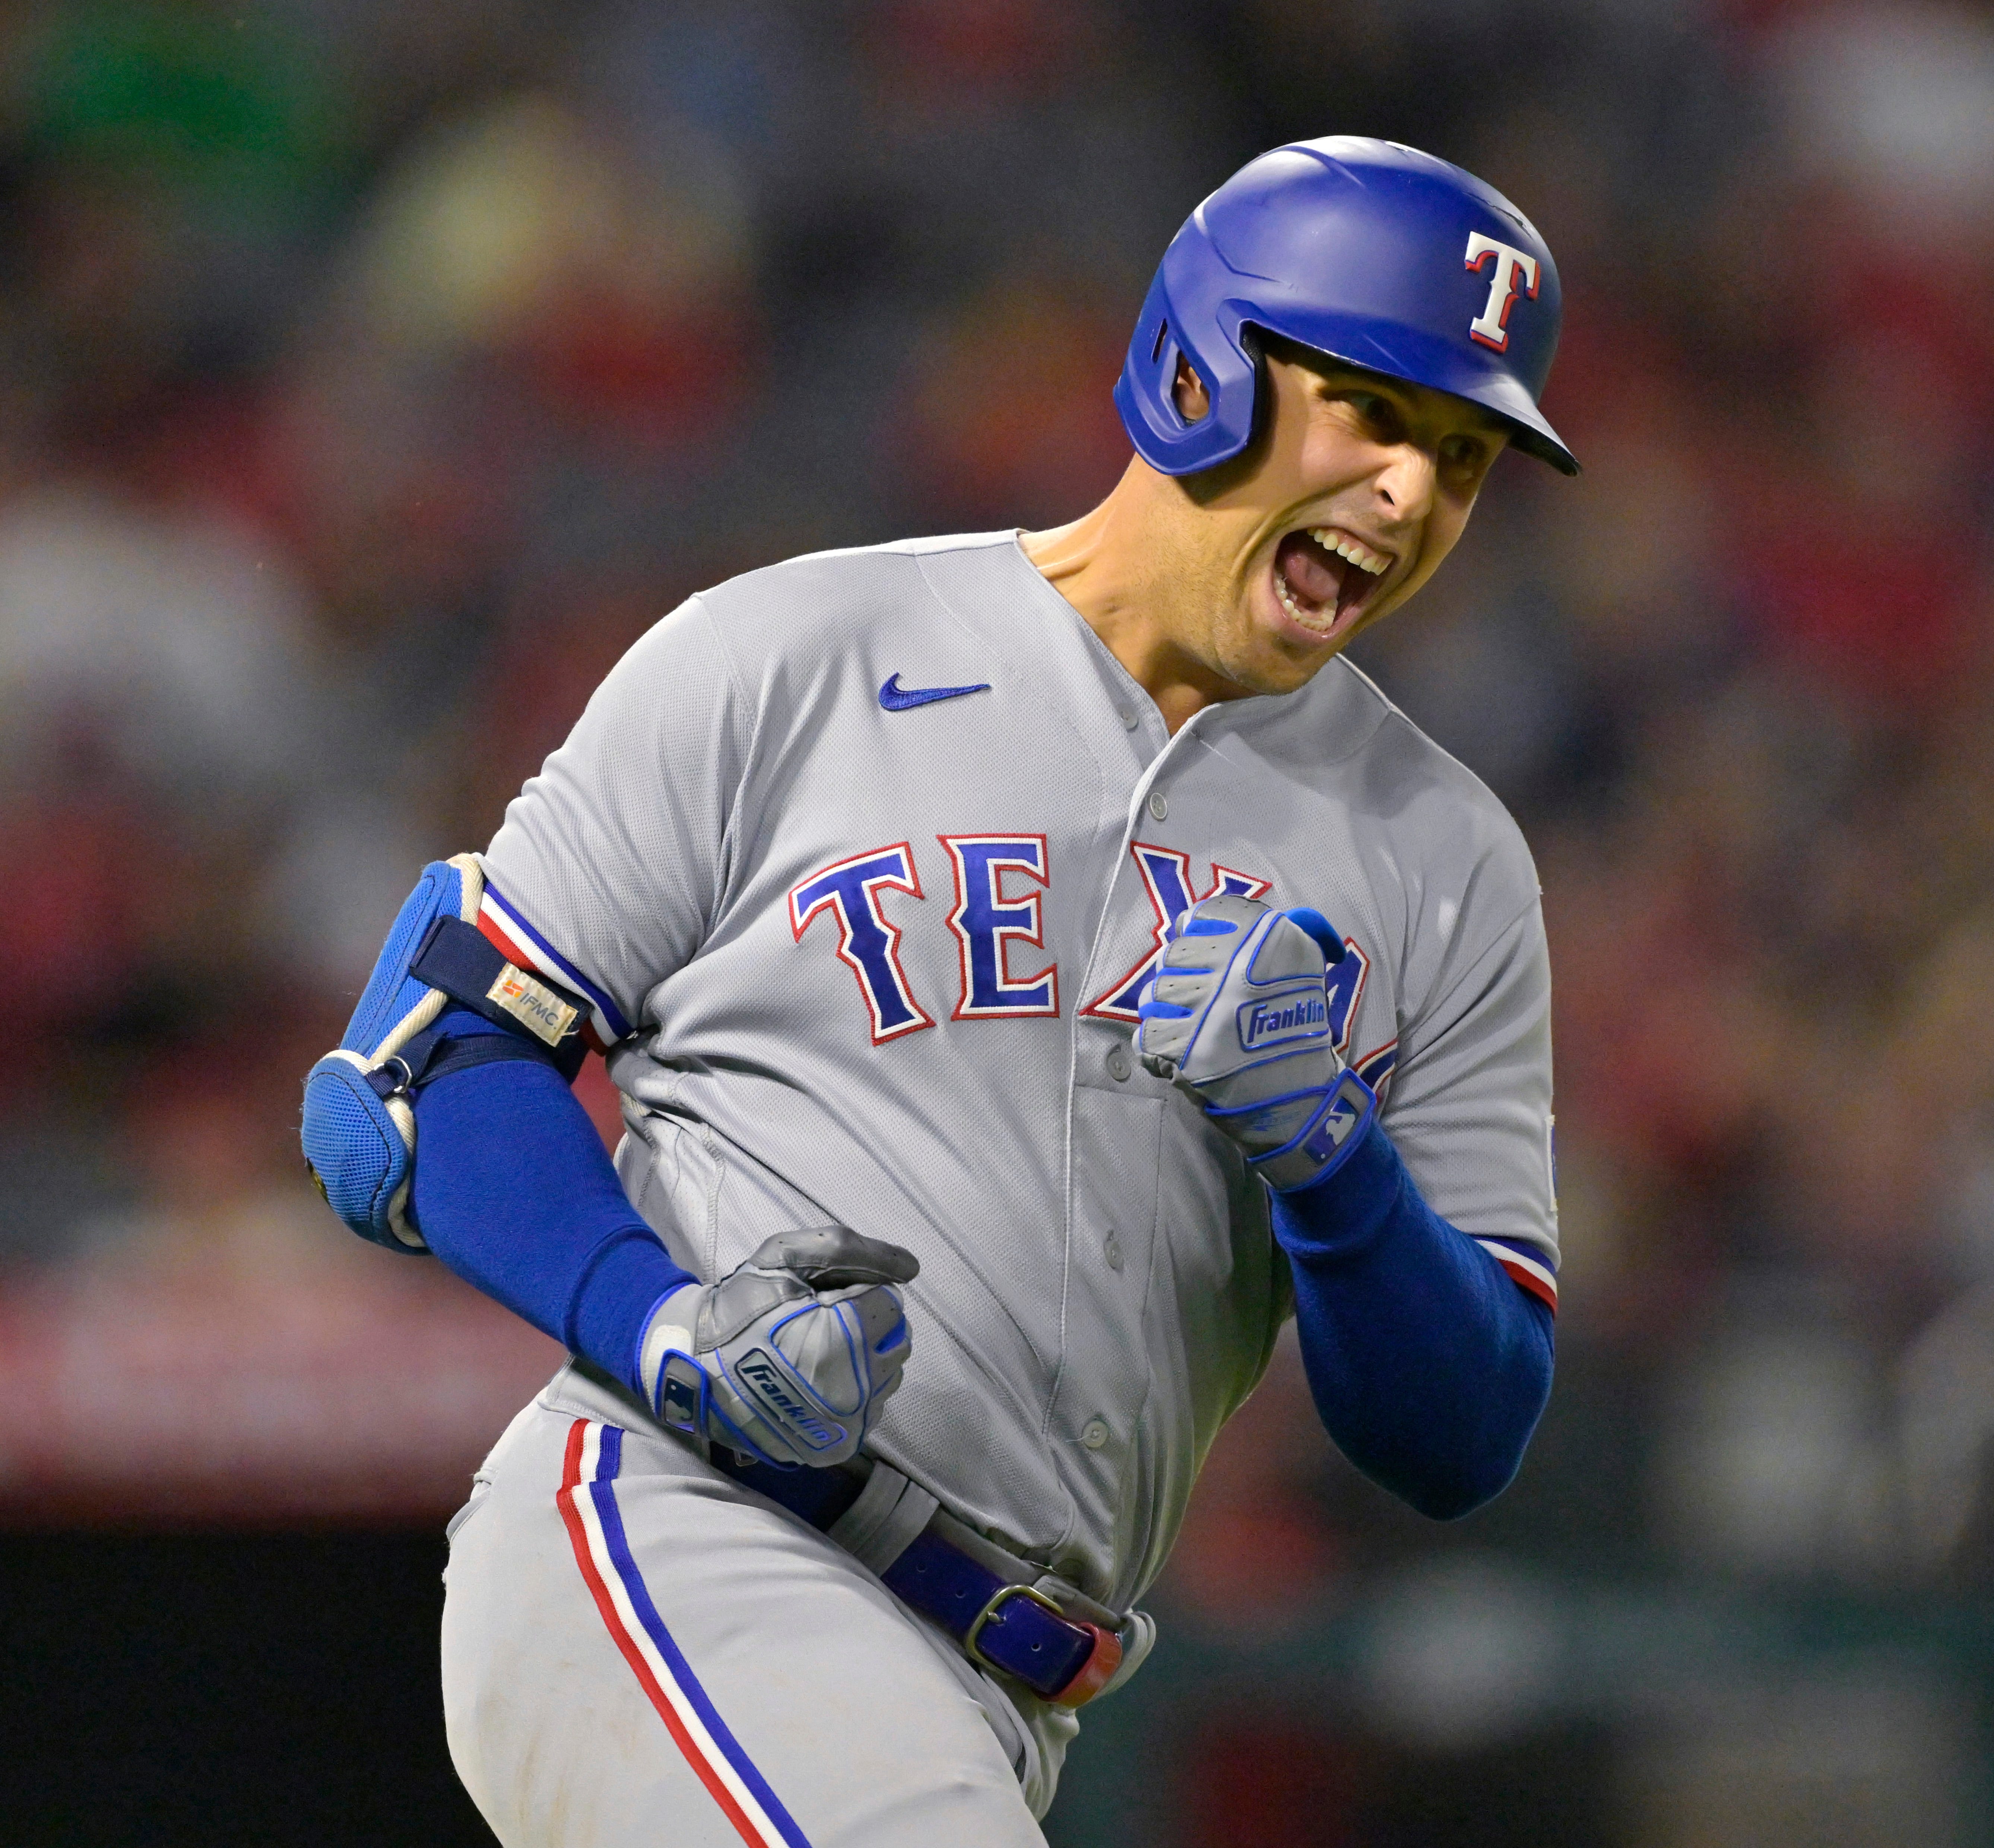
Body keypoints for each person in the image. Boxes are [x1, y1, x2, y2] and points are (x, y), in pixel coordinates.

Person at [297, 137, 1573, 1844]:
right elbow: (418, 1072)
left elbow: (1462, 1429)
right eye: (1375, 411)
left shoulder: (1446, 858)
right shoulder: (799, 654)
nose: (1413, 496)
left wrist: (1331, 1157)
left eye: (1464, 455)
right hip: (691, 1545)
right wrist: (664, 1330)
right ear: (1205, 363)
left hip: (1012, 1687)